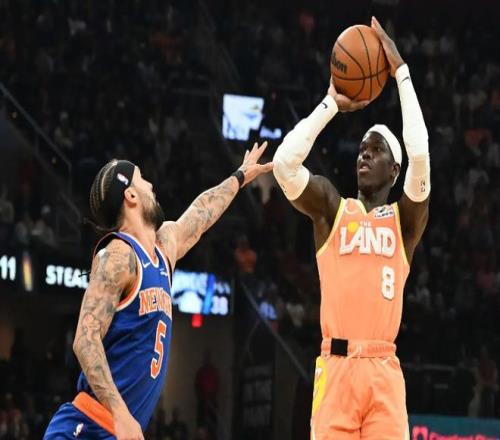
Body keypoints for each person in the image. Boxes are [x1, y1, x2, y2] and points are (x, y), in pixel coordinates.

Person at [44, 142, 272, 440]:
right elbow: (85, 340)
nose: (151, 185)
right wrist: (120, 413)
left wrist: (239, 177)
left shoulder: (163, 249)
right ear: (130, 195)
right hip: (88, 425)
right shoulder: (119, 255)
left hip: (119, 430)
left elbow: (201, 212)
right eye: (142, 179)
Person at [272, 17, 430, 439]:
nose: (364, 155)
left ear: (394, 170)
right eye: (361, 149)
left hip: (383, 371)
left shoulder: (404, 222)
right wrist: (330, 104)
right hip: (336, 369)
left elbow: (421, 155)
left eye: (376, 150)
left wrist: (401, 73)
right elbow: (284, 165)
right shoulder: (332, 210)